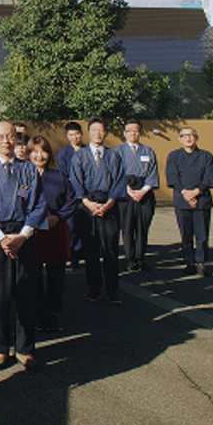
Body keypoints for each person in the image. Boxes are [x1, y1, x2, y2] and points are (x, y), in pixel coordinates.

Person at [0, 121, 47, 372]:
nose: (7, 140)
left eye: (11, 136)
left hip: (24, 236)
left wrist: (22, 236)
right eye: (1, 136)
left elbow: (38, 205)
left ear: (17, 139)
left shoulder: (29, 170)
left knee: (26, 294)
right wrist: (2, 238)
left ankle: (25, 349)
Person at [70, 117, 127, 303]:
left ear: (106, 133)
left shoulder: (114, 156)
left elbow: (119, 181)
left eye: (101, 130)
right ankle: (93, 287)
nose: (98, 134)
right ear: (89, 133)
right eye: (94, 130)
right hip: (87, 207)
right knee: (90, 249)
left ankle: (113, 289)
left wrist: (109, 203)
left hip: (108, 206)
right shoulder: (80, 156)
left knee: (110, 249)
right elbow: (76, 181)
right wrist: (87, 202)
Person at [25, 137, 78, 333]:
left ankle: (53, 314)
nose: (39, 156)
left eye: (43, 151)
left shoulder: (59, 176)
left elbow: (71, 200)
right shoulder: (23, 176)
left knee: (56, 275)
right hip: (32, 232)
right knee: (34, 275)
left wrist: (58, 216)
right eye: (35, 151)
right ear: (29, 153)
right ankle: (38, 314)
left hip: (55, 230)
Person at [165, 127, 213, 277]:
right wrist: (185, 193)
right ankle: (189, 261)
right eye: (184, 135)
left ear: (196, 137)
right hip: (182, 200)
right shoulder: (174, 156)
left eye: (191, 135)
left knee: (201, 234)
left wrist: (196, 192)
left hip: (201, 200)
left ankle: (201, 262)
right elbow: (172, 177)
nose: (188, 138)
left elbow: (209, 177)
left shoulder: (206, 156)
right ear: (180, 139)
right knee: (186, 234)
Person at [116, 119, 159, 272]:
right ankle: (129, 258)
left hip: (144, 193)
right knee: (127, 227)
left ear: (140, 133)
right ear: (124, 133)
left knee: (142, 227)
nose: (132, 133)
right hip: (125, 192)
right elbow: (115, 173)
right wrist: (128, 189)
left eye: (136, 131)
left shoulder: (148, 151)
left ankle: (140, 257)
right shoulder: (117, 151)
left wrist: (143, 191)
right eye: (129, 131)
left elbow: (152, 173)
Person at [55, 122, 86, 268]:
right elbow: (62, 176)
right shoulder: (63, 154)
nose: (74, 137)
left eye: (77, 134)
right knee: (72, 227)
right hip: (71, 196)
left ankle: (86, 253)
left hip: (88, 196)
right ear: (67, 136)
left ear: (81, 134)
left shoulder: (88, 151)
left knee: (86, 227)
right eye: (71, 135)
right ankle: (73, 255)